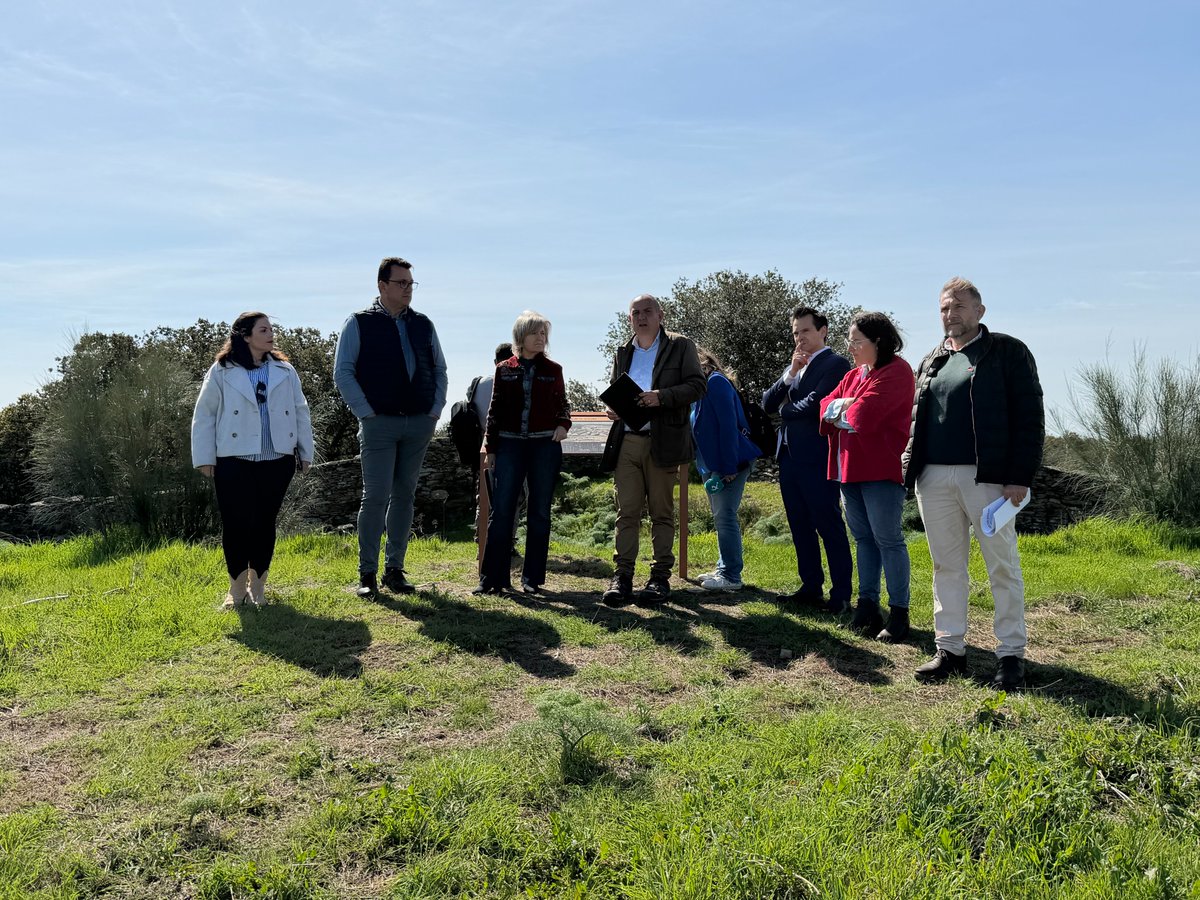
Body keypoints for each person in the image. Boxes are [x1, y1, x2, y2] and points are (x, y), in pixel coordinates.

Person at [903, 277, 1044, 689]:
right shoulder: (931, 359)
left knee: (1002, 565)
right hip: (934, 477)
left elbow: (1029, 418)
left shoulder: (1007, 352)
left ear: (980, 311)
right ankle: (950, 650)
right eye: (945, 308)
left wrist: (1018, 477)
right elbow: (917, 419)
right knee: (946, 566)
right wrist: (910, 466)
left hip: (989, 479)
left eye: (959, 306)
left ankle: (1011, 655)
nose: (951, 314)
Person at [334, 256, 448, 598]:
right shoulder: (358, 322)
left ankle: (394, 570)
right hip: (379, 424)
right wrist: (366, 413)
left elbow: (439, 370)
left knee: (404, 496)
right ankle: (367, 574)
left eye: (411, 283)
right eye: (401, 283)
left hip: (418, 423)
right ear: (382, 285)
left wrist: (434, 411)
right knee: (375, 497)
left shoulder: (424, 324)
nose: (408, 289)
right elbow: (343, 372)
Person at [191, 312, 314, 609]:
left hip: (277, 458)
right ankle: (236, 591)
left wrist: (305, 451)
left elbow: (300, 410)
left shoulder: (285, 370)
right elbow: (205, 413)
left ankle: (258, 587)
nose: (271, 334)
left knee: (264, 523)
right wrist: (204, 457)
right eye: (263, 330)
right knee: (236, 523)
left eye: (271, 329)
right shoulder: (222, 370)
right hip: (233, 458)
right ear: (245, 336)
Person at [601, 294, 707, 605]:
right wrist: (613, 409)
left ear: (661, 315)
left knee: (662, 512)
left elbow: (698, 386)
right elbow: (615, 388)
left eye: (648, 311)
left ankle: (659, 578)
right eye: (636, 313)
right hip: (627, 441)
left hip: (664, 440)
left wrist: (660, 396)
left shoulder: (680, 345)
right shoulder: (623, 351)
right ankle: (622, 577)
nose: (642, 317)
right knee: (626, 512)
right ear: (629, 318)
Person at [819, 312, 915, 641]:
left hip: (880, 469)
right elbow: (825, 406)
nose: (850, 347)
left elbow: (866, 415)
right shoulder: (854, 375)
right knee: (863, 539)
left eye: (856, 341)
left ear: (878, 341)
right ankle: (867, 606)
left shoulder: (897, 371)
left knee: (888, 539)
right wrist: (844, 406)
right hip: (850, 468)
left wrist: (843, 409)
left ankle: (899, 612)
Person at [761, 306, 853, 612]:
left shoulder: (835, 363)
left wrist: (786, 410)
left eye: (806, 331)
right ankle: (811, 586)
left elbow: (817, 404)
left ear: (822, 331)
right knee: (799, 524)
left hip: (817, 457)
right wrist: (790, 374)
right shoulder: (796, 366)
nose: (800, 337)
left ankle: (840, 594)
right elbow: (767, 402)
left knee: (828, 524)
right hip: (788, 457)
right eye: (795, 332)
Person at [474, 312, 571, 595]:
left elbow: (563, 404)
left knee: (539, 512)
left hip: (544, 446)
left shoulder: (554, 369)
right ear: (521, 337)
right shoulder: (504, 369)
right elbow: (494, 410)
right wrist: (491, 447)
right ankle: (492, 579)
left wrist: (563, 425)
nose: (541, 338)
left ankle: (532, 579)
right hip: (509, 445)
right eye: (535, 333)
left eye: (543, 334)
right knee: (502, 510)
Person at [690, 348, 761, 591]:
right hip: (712, 464)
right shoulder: (701, 388)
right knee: (720, 516)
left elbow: (728, 427)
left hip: (729, 463)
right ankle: (724, 568)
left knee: (725, 516)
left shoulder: (716, 383)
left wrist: (728, 467)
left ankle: (731, 576)